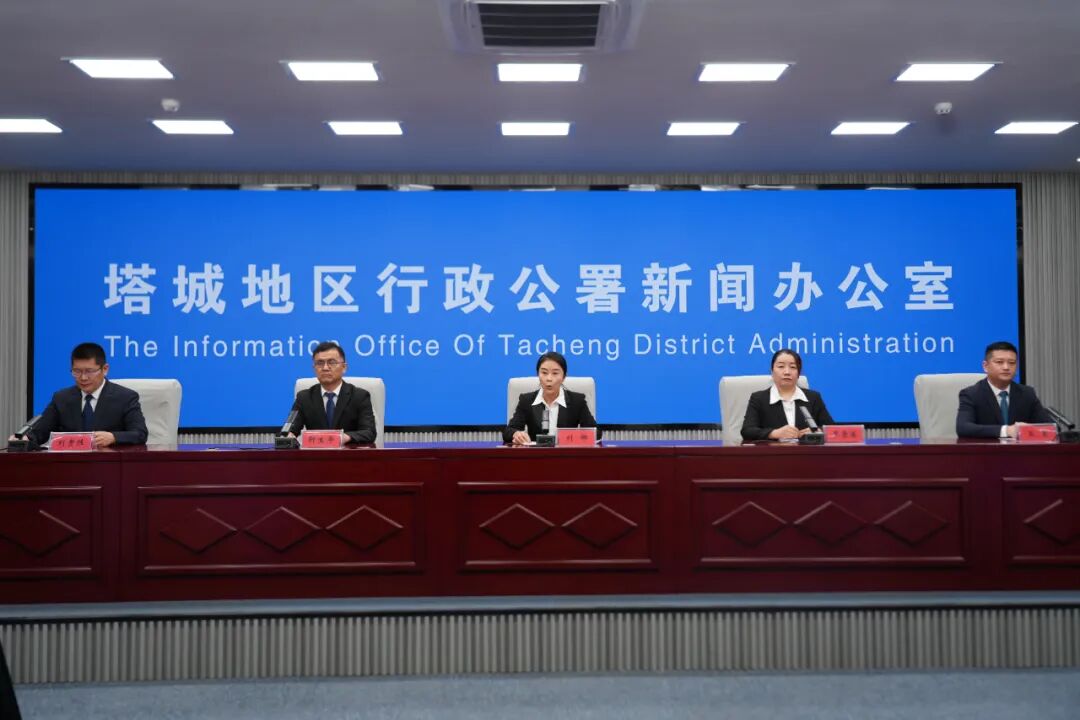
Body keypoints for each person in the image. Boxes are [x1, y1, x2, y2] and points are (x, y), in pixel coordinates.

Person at [14, 342, 147, 448]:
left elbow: (140, 434)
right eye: (77, 371)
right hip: (70, 466)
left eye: (89, 371)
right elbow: (40, 433)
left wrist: (113, 437)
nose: (83, 378)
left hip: (109, 464)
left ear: (105, 369)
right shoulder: (61, 398)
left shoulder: (125, 397)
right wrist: (24, 440)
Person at [956, 340, 1053, 439]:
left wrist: (1028, 430)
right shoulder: (971, 394)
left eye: (1012, 363)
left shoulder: (1027, 394)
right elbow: (963, 428)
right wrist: (1007, 430)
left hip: (1020, 448)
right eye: (999, 362)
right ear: (985, 366)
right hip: (987, 448)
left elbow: (1051, 429)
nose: (1006, 367)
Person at [288, 341, 377, 445]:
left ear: (344, 367)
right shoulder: (304, 398)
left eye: (332, 362)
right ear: (314, 368)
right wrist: (288, 435)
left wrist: (344, 437)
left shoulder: (360, 396)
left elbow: (369, 432)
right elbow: (289, 429)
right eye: (320, 363)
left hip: (348, 453)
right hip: (316, 454)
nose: (325, 368)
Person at [503, 351, 600, 445]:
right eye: (544, 373)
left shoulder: (577, 401)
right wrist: (516, 434)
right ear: (538, 374)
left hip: (566, 454)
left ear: (564, 377)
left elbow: (597, 433)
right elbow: (508, 431)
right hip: (536, 454)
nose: (549, 378)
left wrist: (572, 437)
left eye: (555, 373)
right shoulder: (527, 400)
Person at [741, 348, 834, 442]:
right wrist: (774, 433)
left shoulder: (813, 398)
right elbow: (747, 431)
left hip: (806, 450)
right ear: (772, 371)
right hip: (773, 450)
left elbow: (832, 429)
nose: (787, 372)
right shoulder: (759, 398)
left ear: (798, 373)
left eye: (793, 367)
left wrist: (818, 431)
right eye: (781, 366)